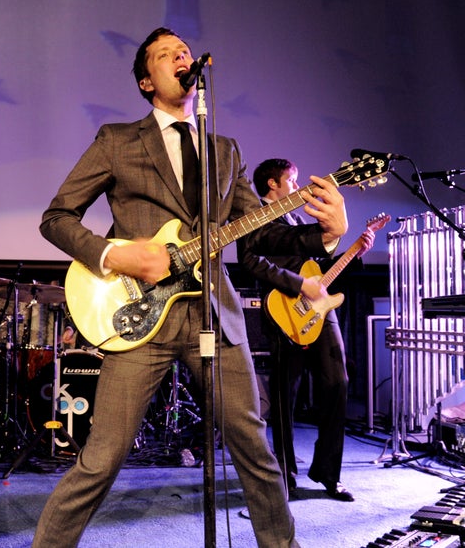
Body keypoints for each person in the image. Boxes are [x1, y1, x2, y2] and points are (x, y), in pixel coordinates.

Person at [34, 28, 349, 548]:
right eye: (165, 54)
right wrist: (116, 253)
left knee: (255, 448)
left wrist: (327, 234)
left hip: (215, 316)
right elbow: (56, 218)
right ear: (145, 81)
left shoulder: (224, 149)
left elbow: (262, 231)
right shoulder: (117, 140)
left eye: (183, 50)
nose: (180, 56)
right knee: (102, 457)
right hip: (140, 315)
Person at [237, 158, 374, 503]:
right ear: (272, 184)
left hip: (319, 312)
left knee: (337, 383)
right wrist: (299, 285)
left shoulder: (298, 220)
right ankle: (284, 476)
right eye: (293, 181)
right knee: (285, 396)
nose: (298, 189)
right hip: (284, 311)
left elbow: (321, 268)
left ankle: (328, 474)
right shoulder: (253, 215)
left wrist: (355, 252)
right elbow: (251, 262)